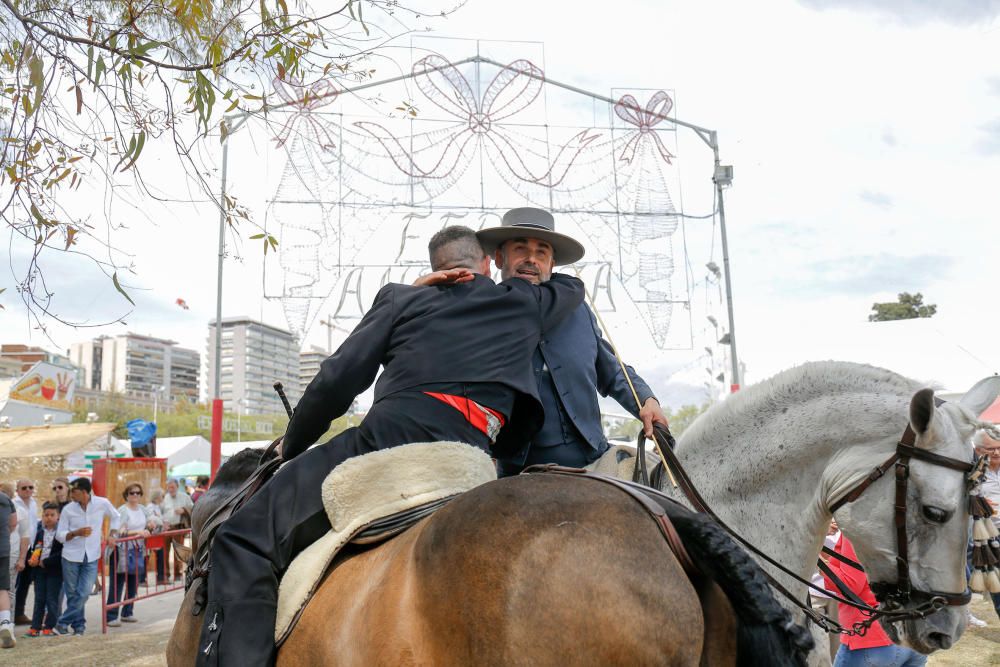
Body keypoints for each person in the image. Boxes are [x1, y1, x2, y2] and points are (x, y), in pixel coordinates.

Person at [196, 225, 585, 666]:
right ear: (484, 265)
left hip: (387, 444)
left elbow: (336, 382)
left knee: (241, 537)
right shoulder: (527, 302)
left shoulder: (404, 298)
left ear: (436, 269)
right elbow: (572, 285)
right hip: (475, 457)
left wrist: (294, 443)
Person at [475, 208, 668, 474]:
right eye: (520, 249)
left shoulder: (579, 312)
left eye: (541, 252)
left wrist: (646, 400)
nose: (531, 259)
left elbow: (611, 371)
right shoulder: (482, 312)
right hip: (518, 473)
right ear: (499, 258)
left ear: (551, 264)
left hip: (593, 461)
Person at [824, 533, 927, 666]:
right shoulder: (911, 527)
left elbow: (850, 584)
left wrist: (819, 563)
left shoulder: (856, 530)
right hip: (914, 635)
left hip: (872, 639)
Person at [55, 477, 120, 636]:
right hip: (70, 556)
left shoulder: (102, 503)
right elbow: (59, 535)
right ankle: (79, 628)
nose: (71, 495)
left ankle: (62, 622)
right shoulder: (68, 509)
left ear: (85, 492)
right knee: (72, 594)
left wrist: (112, 534)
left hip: (91, 556)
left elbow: (116, 516)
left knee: (83, 592)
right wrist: (75, 533)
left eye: (74, 492)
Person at [106, 483, 160, 626]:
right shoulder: (122, 511)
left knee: (133, 582)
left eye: (137, 493)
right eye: (131, 493)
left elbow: (154, 520)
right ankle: (111, 615)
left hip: (137, 550)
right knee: (117, 583)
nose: (135, 495)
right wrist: (137, 532)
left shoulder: (143, 509)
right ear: (126, 495)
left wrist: (151, 525)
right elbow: (118, 532)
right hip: (120, 551)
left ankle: (127, 612)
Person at [25, 502, 63, 637]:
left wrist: (45, 562)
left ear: (58, 516)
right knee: (39, 599)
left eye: (52, 515)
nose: (49, 518)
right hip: (39, 571)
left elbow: (62, 553)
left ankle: (49, 626)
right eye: (46, 515)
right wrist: (32, 559)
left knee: (52, 599)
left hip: (54, 571)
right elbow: (35, 548)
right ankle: (35, 627)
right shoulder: (39, 531)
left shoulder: (61, 533)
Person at [975, 430, 1000, 621]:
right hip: (990, 536)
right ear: (978, 450)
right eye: (991, 449)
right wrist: (979, 504)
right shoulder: (972, 474)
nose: (997, 453)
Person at [12, 478, 37, 625]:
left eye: (30, 487)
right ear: (17, 490)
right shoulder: (13, 504)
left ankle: (19, 613)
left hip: (32, 548)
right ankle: (8, 614)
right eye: (24, 488)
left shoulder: (33, 503)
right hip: (18, 547)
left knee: (25, 582)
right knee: (13, 583)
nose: (28, 490)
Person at [161, 479, 193, 583]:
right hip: (166, 528)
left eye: (173, 487)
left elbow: (193, 507)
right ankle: (165, 575)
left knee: (178, 551)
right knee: (165, 552)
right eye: (169, 487)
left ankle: (178, 574)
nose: (171, 490)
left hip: (178, 527)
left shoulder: (185, 497)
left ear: (177, 486)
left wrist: (184, 510)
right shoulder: (165, 498)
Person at [0, 484, 16, 648]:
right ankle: (5, 623)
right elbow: (13, 523)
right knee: (2, 588)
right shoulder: (5, 498)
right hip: (2, 549)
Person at [147, 489, 167, 585]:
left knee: (160, 556)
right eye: (162, 496)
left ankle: (160, 578)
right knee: (146, 557)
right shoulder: (150, 507)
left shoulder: (158, 507)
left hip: (157, 534)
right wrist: (162, 522)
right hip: (151, 535)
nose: (163, 498)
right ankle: (142, 579)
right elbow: (151, 518)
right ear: (157, 497)